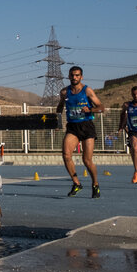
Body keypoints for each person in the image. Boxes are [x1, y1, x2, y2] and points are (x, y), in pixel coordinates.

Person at [56, 66, 104, 199]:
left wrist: (90, 110)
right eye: (72, 75)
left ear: (81, 77)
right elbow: (60, 106)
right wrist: (57, 121)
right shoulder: (65, 92)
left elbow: (101, 108)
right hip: (72, 127)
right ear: (69, 76)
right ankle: (76, 183)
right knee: (66, 155)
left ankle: (95, 184)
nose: (74, 77)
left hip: (87, 127)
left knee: (87, 160)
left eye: (77, 75)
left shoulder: (87, 91)